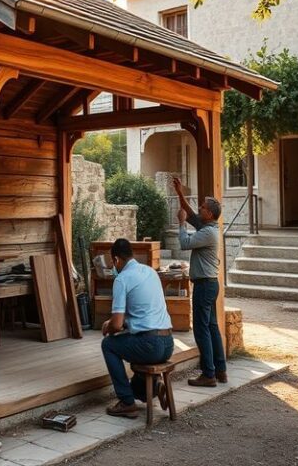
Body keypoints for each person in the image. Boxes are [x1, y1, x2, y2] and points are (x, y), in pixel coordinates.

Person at [101, 238, 174, 418]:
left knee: (109, 345)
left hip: (150, 344)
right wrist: (122, 324)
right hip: (168, 344)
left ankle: (126, 402)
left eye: (113, 262)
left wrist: (108, 326)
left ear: (116, 259)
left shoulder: (122, 279)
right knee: (135, 348)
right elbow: (143, 313)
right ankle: (154, 387)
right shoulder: (150, 272)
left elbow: (116, 325)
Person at [172, 176, 227, 387]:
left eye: (202, 207)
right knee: (212, 327)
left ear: (210, 214)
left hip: (204, 285)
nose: (199, 209)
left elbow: (185, 243)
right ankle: (220, 370)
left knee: (201, 329)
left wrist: (180, 224)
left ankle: (208, 374)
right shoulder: (207, 227)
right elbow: (190, 213)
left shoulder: (208, 233)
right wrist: (179, 192)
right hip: (209, 284)